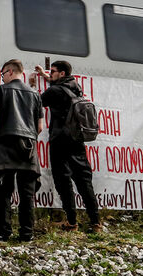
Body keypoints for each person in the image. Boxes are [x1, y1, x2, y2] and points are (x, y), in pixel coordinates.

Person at [32, 60, 102, 233]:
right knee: (84, 181)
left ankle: (72, 221)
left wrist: (33, 85)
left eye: (53, 71)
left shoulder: (55, 91)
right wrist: (45, 76)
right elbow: (59, 85)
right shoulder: (75, 86)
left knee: (63, 182)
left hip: (60, 141)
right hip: (77, 139)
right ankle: (96, 222)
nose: (51, 74)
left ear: (61, 74)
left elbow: (35, 102)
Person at [0, 59, 44, 242]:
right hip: (29, 147)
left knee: (4, 191)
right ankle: (26, 233)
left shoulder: (1, 90)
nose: (2, 78)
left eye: (2, 74)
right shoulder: (35, 94)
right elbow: (40, 127)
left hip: (6, 144)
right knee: (27, 193)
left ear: (10, 72)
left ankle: (3, 232)